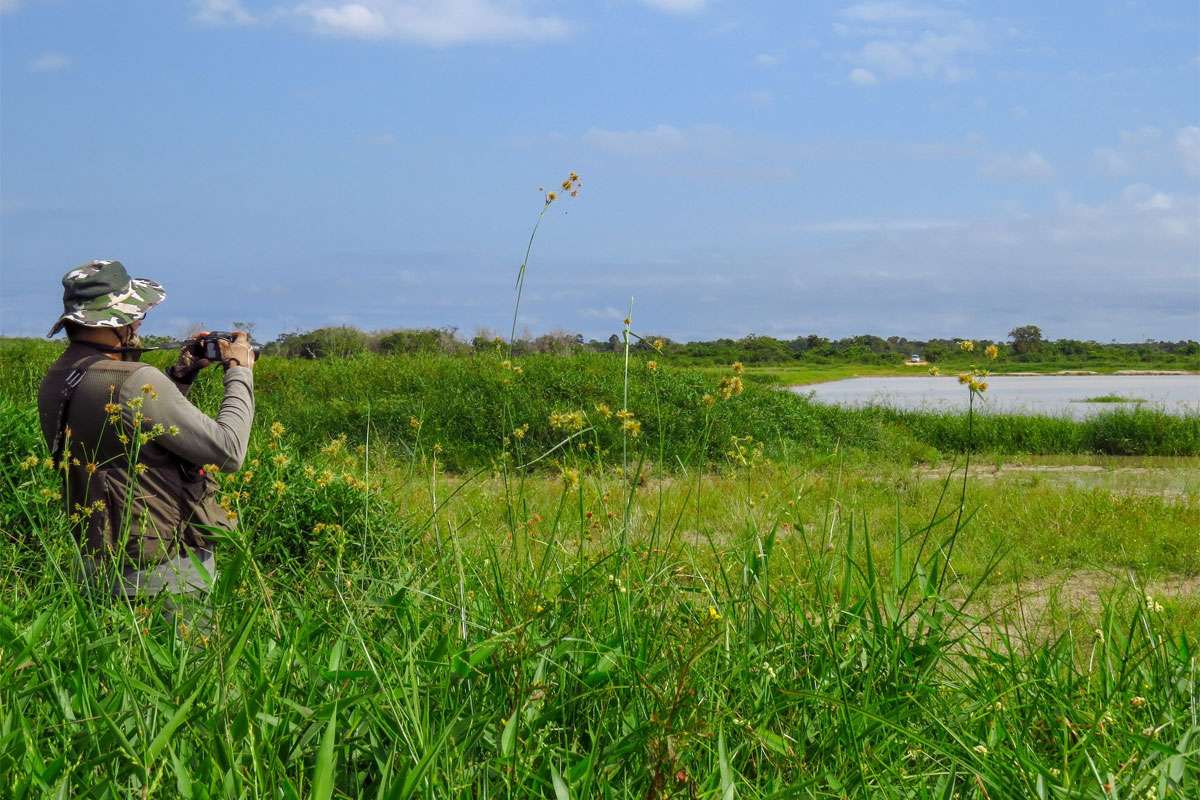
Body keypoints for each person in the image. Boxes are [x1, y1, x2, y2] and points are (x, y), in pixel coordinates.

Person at [37, 259, 255, 601]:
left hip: (96, 563)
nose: (139, 322)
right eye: (137, 314)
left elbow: (125, 433)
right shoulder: (135, 380)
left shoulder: (59, 377)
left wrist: (180, 378)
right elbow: (229, 452)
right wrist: (240, 371)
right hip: (165, 573)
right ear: (123, 319)